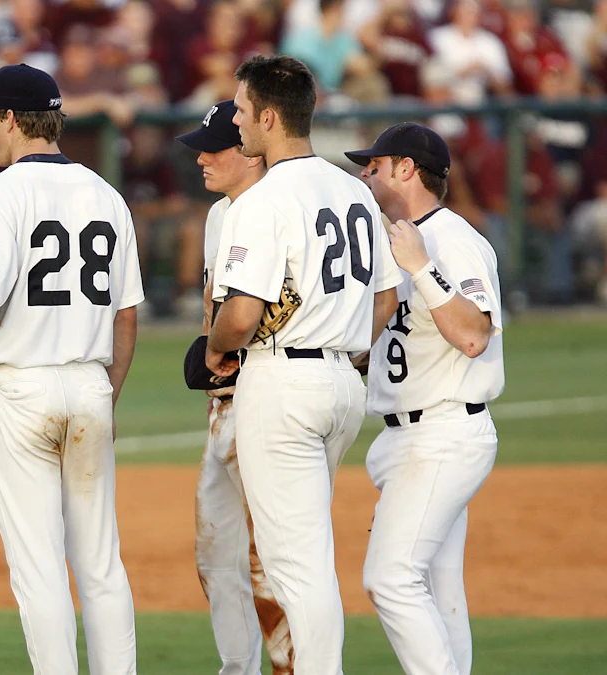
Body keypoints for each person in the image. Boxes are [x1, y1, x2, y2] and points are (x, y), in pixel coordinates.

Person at [0, 64, 144, 675]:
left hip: (21, 389)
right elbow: (126, 319)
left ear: (12, 119)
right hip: (92, 384)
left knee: (39, 566)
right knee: (100, 564)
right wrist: (108, 394)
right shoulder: (107, 193)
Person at [205, 55, 401, 674]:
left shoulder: (262, 199)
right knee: (307, 551)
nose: (234, 121)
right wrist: (345, 350)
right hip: (344, 382)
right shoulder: (353, 190)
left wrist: (214, 347)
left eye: (240, 109)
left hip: (282, 384)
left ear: (268, 115)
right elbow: (388, 296)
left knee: (297, 563)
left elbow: (239, 317)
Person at [345, 123, 503, 675]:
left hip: (444, 432)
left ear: (406, 170)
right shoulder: (396, 241)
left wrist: (422, 269)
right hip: (407, 437)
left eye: (375, 165)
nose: (365, 174)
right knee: (438, 589)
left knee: (388, 578)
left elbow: (473, 334)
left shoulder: (451, 241)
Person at [178, 100, 294, 675]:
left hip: (271, 401)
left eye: (214, 146)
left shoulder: (277, 209)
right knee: (217, 554)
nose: (200, 157)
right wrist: (210, 355)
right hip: (225, 408)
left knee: (269, 557)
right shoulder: (219, 216)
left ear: (249, 152)